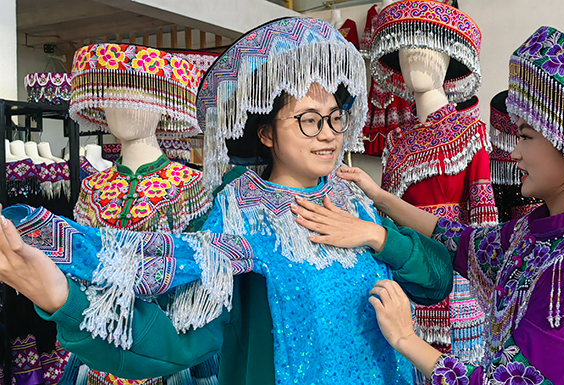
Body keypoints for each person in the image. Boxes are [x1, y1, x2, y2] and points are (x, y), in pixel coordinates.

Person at [0, 17, 452, 384]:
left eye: (336, 118)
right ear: (266, 133)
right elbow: (177, 340)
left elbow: (437, 280)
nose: (329, 135)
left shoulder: (353, 200)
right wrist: (62, 298)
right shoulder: (240, 215)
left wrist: (377, 236)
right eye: (309, 120)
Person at [295, 26, 564, 384]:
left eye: (525, 137)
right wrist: (379, 198)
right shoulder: (539, 229)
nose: (514, 154)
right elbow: (458, 238)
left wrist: (405, 338)